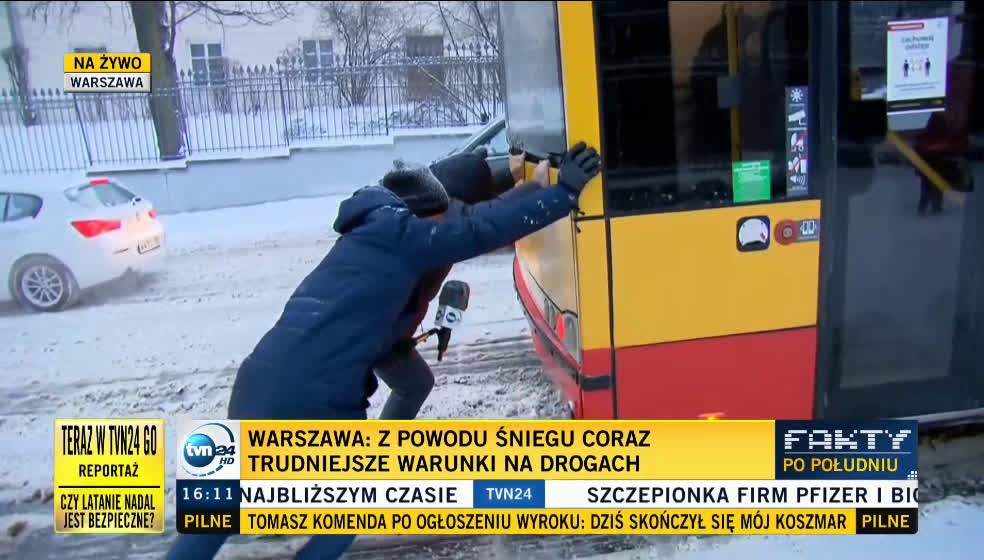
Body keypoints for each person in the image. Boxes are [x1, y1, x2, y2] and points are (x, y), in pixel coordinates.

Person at [164, 141, 599, 560]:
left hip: (258, 381)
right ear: (430, 213)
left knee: (215, 513)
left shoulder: (368, 228)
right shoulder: (408, 236)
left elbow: (458, 204)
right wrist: (563, 193)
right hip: (314, 400)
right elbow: (478, 227)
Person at [374, 148, 550, 421]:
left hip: (384, 326)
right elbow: (488, 218)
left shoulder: (420, 205)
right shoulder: (436, 231)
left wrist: (511, 174)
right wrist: (535, 186)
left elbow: (475, 199)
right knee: (397, 387)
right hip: (373, 330)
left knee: (415, 383)